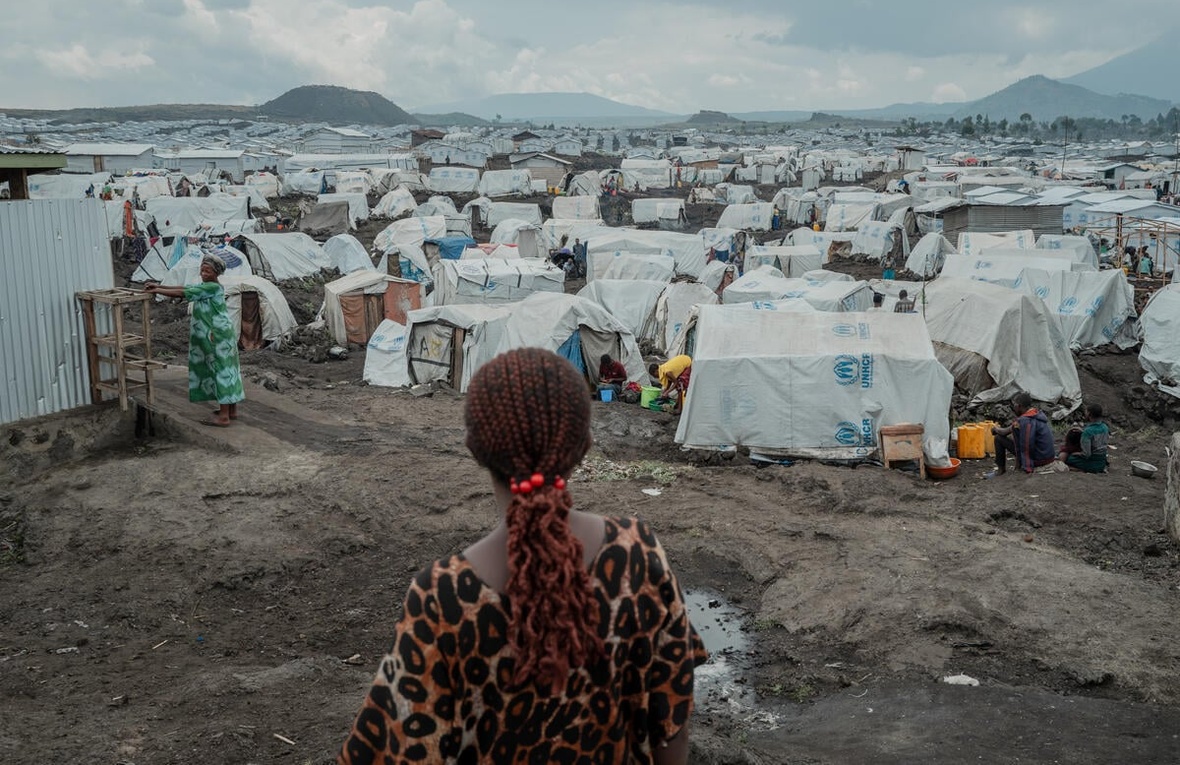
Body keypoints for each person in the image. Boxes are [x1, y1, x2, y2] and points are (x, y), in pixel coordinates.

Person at [338, 348, 706, 764]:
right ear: (583, 447)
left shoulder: (442, 599)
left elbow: (401, 750)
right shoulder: (637, 556)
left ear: (475, 449)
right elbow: (672, 726)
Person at [144, 254, 244, 426]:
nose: (204, 273)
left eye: (208, 270)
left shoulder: (211, 287)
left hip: (216, 335)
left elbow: (183, 292)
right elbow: (187, 287)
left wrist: (157, 291)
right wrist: (161, 285)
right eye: (202, 269)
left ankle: (223, 417)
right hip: (221, 333)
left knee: (220, 370)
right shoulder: (208, 287)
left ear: (216, 273)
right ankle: (231, 410)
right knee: (228, 368)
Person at [984, 392, 1056, 478]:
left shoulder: (1024, 421)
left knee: (998, 439)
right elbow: (1010, 429)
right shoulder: (1036, 414)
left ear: (1019, 406)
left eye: (1014, 405)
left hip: (1038, 458)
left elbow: (1024, 443)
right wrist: (997, 429)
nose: (1013, 408)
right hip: (1047, 456)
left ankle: (1000, 470)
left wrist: (995, 429)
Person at [1064, 403, 1110, 473]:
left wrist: (1076, 453)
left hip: (1092, 463)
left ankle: (1081, 469)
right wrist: (1083, 432)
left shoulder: (1088, 432)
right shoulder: (1105, 427)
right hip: (1102, 461)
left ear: (1089, 414)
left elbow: (1086, 454)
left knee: (1069, 458)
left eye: (1086, 411)